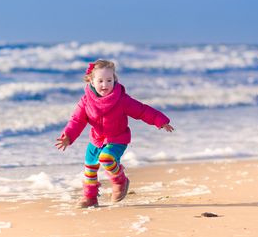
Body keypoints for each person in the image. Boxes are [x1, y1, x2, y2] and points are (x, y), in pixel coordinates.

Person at [55, 59, 174, 208]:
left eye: (109, 80)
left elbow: (142, 110)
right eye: (100, 81)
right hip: (96, 140)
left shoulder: (122, 100)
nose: (105, 85)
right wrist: (68, 136)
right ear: (91, 81)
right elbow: (77, 121)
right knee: (90, 167)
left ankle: (120, 181)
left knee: (106, 158)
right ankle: (90, 197)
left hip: (118, 139)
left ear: (114, 80)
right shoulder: (86, 101)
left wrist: (160, 121)